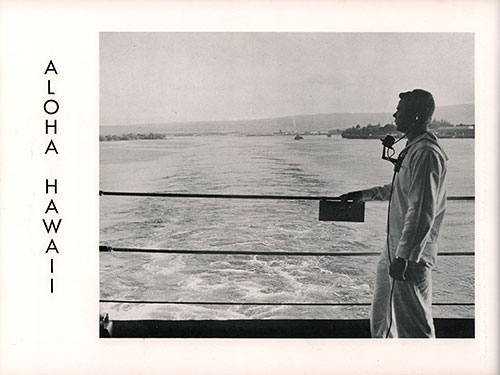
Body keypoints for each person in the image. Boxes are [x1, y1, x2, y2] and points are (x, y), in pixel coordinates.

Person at [340, 89, 448, 338]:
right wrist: (365, 194)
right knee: (382, 317)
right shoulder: (413, 148)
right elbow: (399, 190)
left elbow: (422, 211)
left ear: (416, 115)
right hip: (394, 249)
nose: (395, 114)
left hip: (409, 256)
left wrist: (405, 258)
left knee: (414, 327)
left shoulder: (426, 154)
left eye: (400, 110)